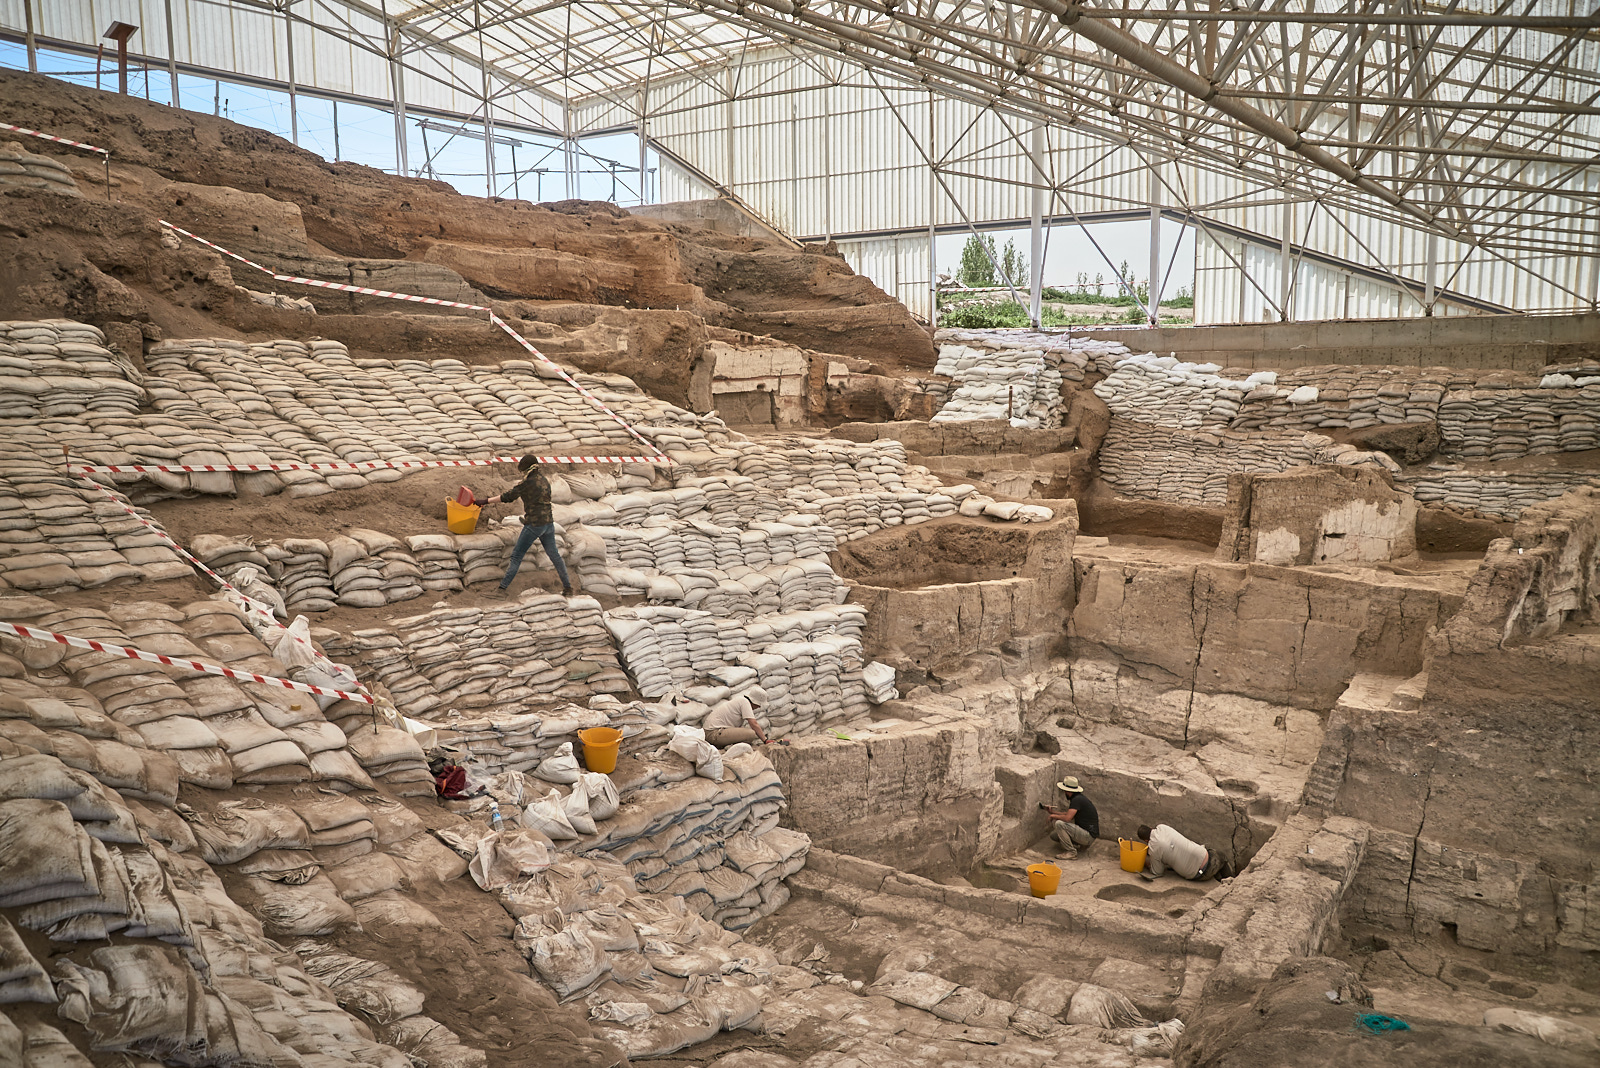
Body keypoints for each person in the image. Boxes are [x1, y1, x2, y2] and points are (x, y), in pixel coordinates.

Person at [484, 455, 572, 597]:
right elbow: (540, 502)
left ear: (526, 469)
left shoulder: (528, 483)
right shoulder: (544, 481)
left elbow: (508, 496)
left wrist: (485, 501)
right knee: (555, 556)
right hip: (548, 523)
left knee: (517, 556)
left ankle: (501, 590)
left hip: (534, 525)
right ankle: (568, 588)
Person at [1137, 823, 1230, 881]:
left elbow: (1157, 872)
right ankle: (1230, 881)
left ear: (1145, 841)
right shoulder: (1162, 827)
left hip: (1198, 875)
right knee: (1222, 857)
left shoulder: (1153, 849)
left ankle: (1223, 880)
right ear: (1150, 827)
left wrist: (1147, 864)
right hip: (1208, 856)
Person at [702, 687, 786, 748]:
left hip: (713, 732)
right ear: (754, 701)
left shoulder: (741, 700)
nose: (759, 707)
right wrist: (765, 740)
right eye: (759, 705)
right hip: (713, 734)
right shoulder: (744, 702)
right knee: (751, 734)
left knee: (744, 733)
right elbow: (754, 724)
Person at [1041, 777, 1099, 859]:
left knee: (1059, 824)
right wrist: (1052, 812)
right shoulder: (1078, 798)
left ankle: (1071, 852)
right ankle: (1082, 844)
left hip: (1087, 836)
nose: (1064, 792)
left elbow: (1067, 818)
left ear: (1068, 791)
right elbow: (1068, 814)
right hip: (1088, 835)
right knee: (1054, 836)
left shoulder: (1076, 800)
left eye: (1064, 790)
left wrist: (1053, 816)